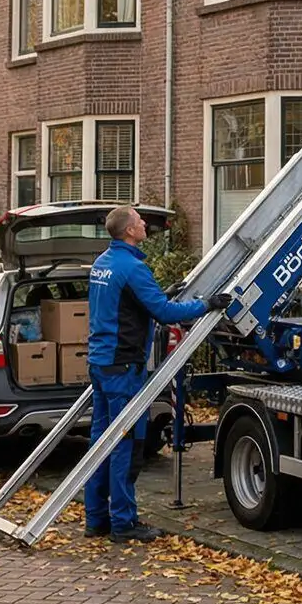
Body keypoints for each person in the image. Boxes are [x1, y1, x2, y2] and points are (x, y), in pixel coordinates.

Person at [84, 205, 226, 543]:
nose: (145, 223)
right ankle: (123, 523)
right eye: (139, 221)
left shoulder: (102, 263)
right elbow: (163, 312)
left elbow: (134, 304)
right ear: (129, 231)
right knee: (124, 444)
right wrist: (207, 305)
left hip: (102, 362)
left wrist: (164, 293)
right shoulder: (133, 268)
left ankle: (96, 519)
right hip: (124, 369)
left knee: (100, 442)